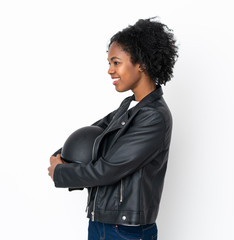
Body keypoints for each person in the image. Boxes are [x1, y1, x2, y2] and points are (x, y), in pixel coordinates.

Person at [48, 17, 178, 240]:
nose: (110, 70)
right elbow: (93, 134)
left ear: (141, 64)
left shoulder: (154, 116)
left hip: (126, 231)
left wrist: (61, 172)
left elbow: (108, 170)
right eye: (109, 63)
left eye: (116, 62)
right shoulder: (130, 106)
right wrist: (60, 156)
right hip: (101, 224)